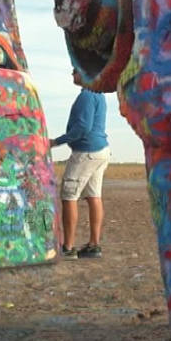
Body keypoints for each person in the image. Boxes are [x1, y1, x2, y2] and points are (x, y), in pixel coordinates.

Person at [52, 69, 110, 257]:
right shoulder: (99, 94)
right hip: (101, 150)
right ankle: (94, 245)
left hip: (86, 151)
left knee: (69, 195)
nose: (72, 74)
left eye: (76, 70)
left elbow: (83, 128)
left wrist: (56, 142)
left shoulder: (86, 96)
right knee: (94, 196)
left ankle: (68, 248)